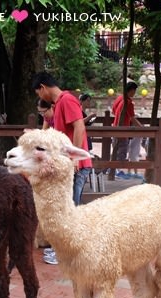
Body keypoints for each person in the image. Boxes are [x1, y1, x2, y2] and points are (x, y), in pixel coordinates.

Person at [31, 72, 92, 265]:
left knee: (69, 210)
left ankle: (68, 253)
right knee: (66, 209)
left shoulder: (67, 101)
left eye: (38, 94)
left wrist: (73, 159)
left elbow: (79, 127)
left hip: (76, 167)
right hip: (67, 168)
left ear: (43, 87)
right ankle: (66, 251)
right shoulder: (58, 105)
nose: (40, 98)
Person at [111, 81, 143, 179]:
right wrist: (142, 128)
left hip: (115, 127)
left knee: (116, 149)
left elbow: (113, 111)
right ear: (132, 90)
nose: (135, 93)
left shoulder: (119, 98)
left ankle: (114, 170)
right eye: (134, 91)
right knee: (122, 150)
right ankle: (118, 171)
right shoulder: (129, 102)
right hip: (123, 130)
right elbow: (132, 118)